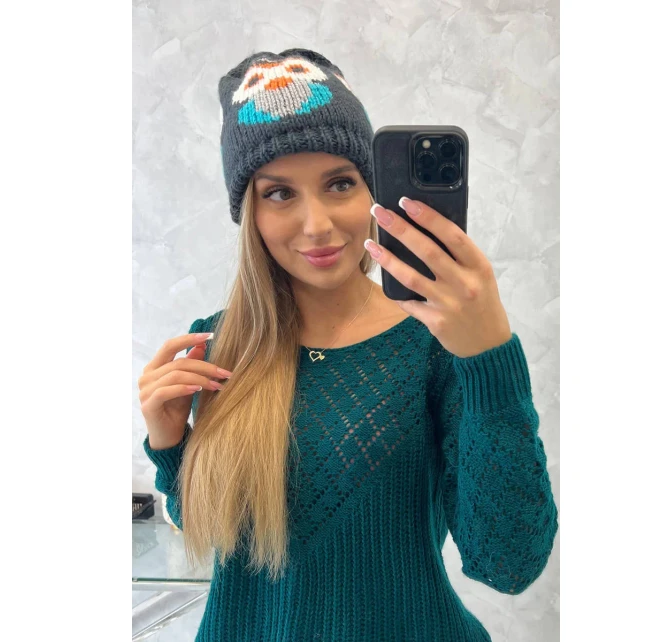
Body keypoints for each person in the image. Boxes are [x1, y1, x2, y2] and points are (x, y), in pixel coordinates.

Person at [138, 48, 558, 642]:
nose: (317, 224)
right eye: (279, 193)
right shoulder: (222, 344)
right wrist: (170, 443)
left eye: (340, 183)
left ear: (373, 192)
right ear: (249, 212)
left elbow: (509, 563)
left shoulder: (435, 345)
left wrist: (490, 359)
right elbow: (221, 535)